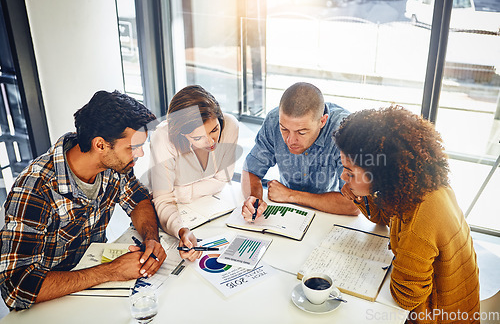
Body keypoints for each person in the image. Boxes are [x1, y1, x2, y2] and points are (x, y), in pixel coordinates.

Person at [0, 91, 166, 310]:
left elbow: (138, 199)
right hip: (47, 301)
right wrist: (112, 271)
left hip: (92, 284)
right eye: (133, 147)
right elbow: (16, 287)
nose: (140, 154)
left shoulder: (115, 166)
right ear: (100, 145)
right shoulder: (35, 189)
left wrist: (151, 238)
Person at [334, 106, 480, 323]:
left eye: (350, 172)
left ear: (381, 173)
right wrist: (361, 195)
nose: (343, 177)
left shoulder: (423, 214)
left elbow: (405, 296)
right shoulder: (414, 188)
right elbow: (384, 218)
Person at [241, 82, 358, 221]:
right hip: (287, 211)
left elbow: (354, 205)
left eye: (301, 132)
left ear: (322, 121)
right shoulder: (273, 120)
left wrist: (291, 195)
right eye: (284, 129)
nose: (290, 140)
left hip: (327, 215)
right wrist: (254, 200)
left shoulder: (345, 130)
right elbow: (251, 171)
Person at [149, 85, 239, 261]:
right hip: (177, 217)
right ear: (182, 135)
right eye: (197, 138)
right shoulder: (163, 138)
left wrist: (177, 192)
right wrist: (181, 230)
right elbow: (163, 200)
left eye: (214, 130)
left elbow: (221, 180)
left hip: (214, 210)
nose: (211, 141)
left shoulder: (230, 126)